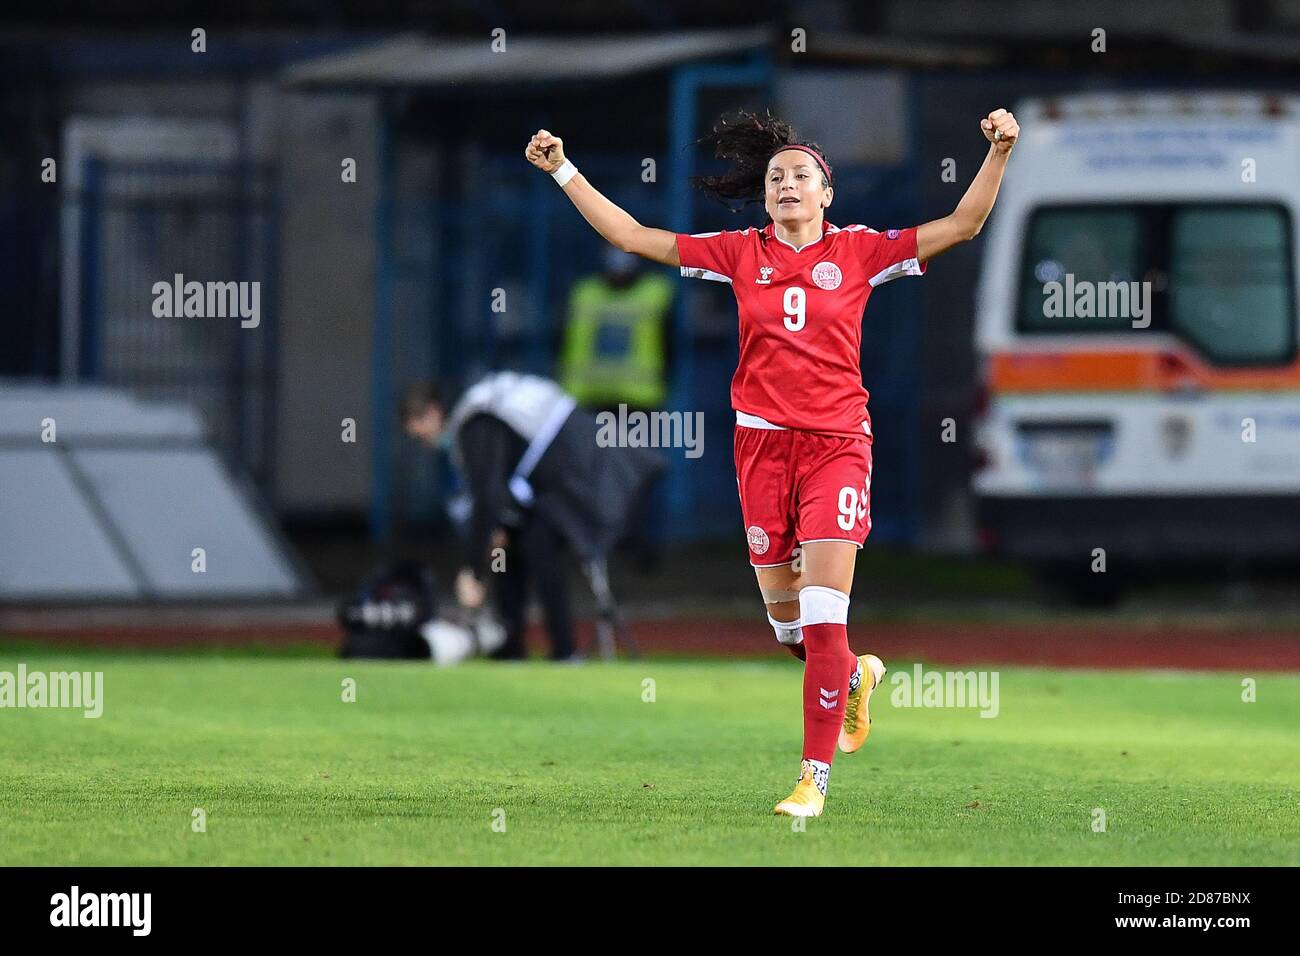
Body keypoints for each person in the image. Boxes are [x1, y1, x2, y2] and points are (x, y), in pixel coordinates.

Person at [524, 106, 1018, 816]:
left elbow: (963, 224)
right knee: (792, 635)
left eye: (801, 176)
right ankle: (853, 681)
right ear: (764, 196)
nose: (787, 184)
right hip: (759, 450)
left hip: (837, 448)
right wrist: (563, 170)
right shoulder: (738, 253)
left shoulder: (860, 253)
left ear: (827, 194)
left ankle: (812, 781)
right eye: (777, 177)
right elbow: (631, 236)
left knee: (823, 622)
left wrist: (1000, 150)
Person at [401, 373, 663, 661]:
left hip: (566, 471)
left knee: (536, 548)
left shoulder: (474, 425)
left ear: (433, 413)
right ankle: (520, 647)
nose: (425, 444)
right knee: (514, 546)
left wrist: (472, 571)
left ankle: (555, 650)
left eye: (421, 434)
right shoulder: (479, 412)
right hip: (565, 466)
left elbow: (487, 497)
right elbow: (499, 491)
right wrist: (496, 530)